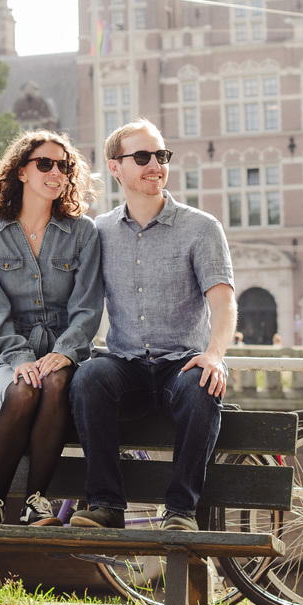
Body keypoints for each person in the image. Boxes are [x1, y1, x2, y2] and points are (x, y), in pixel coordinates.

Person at [69, 118, 236, 532]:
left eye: (161, 156)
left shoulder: (201, 228)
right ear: (115, 167)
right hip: (125, 367)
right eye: (142, 157)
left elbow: (223, 302)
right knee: (88, 377)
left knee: (203, 384)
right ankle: (106, 506)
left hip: (181, 365)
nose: (155, 166)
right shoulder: (99, 231)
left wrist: (214, 355)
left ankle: (180, 512)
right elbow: (77, 301)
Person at [0, 129, 103, 526]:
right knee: (25, 388)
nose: (56, 172)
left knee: (55, 381)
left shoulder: (83, 232)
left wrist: (65, 352)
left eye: (64, 166)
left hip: (65, 353)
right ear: (21, 172)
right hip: (5, 358)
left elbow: (87, 306)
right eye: (45, 164)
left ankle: (37, 502)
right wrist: (21, 358)